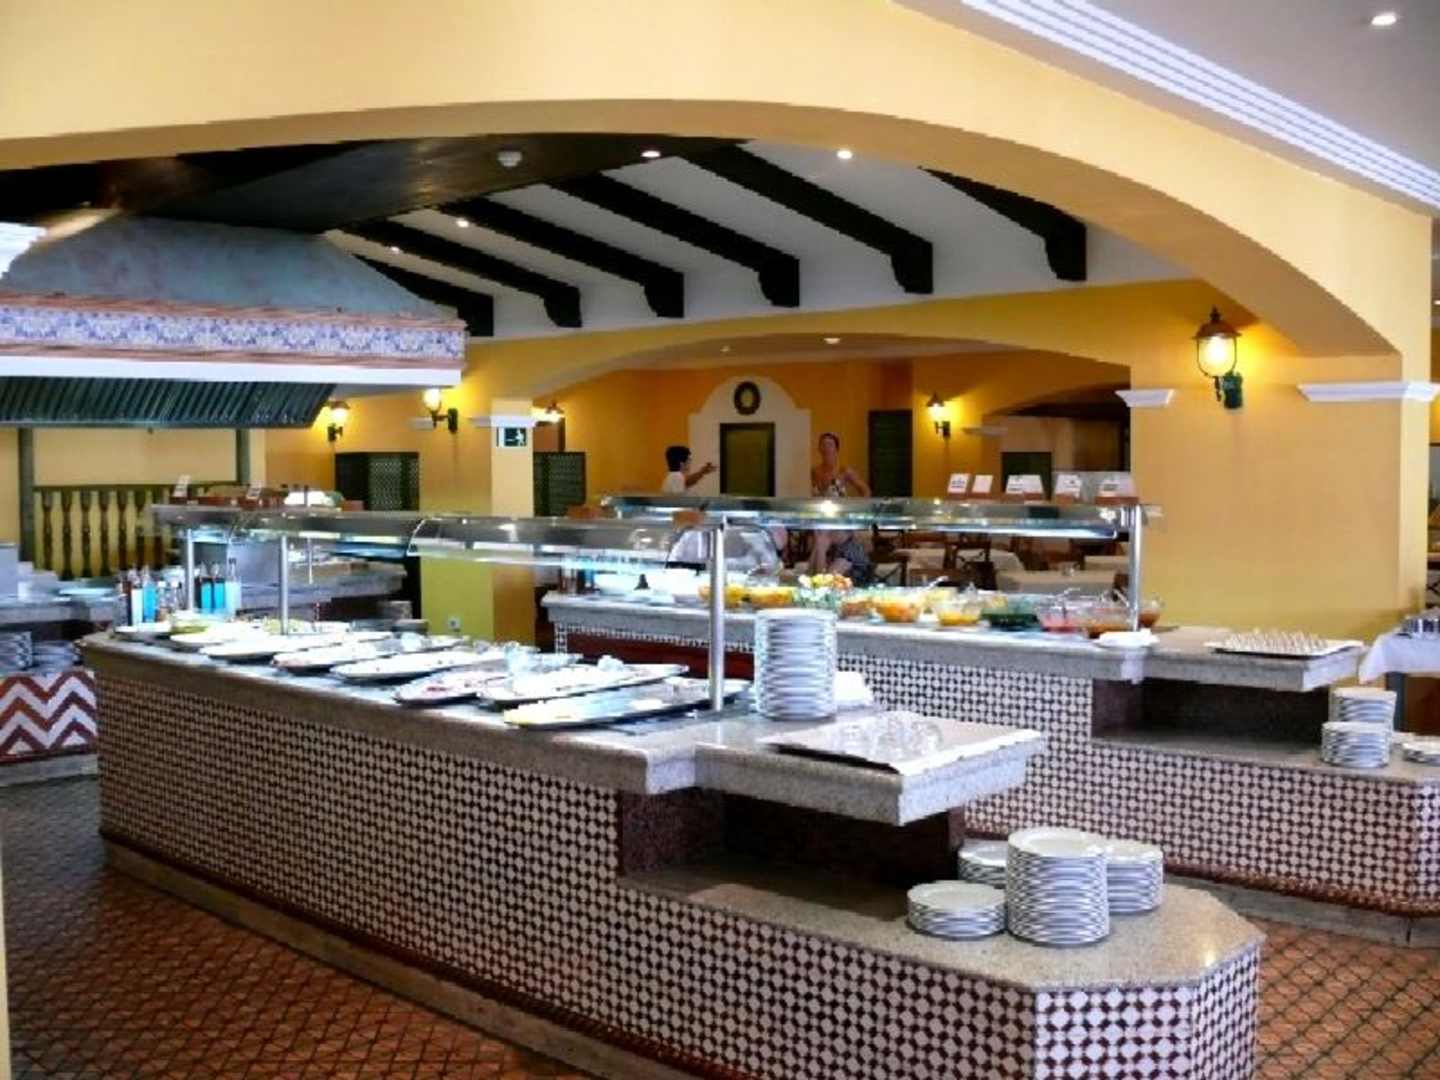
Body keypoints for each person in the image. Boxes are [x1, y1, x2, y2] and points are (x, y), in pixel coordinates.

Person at [808, 432, 873, 582]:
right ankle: (815, 579)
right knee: (819, 547)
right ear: (819, 448)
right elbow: (815, 498)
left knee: (824, 546)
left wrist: (853, 509)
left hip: (840, 522)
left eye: (830, 444)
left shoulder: (844, 471)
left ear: (836, 449)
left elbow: (866, 491)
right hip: (822, 520)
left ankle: (820, 578)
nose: (826, 448)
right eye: (823, 444)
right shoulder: (814, 471)